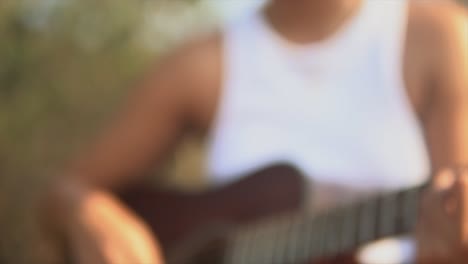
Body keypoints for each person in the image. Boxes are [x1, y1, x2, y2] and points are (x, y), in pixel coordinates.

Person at [42, 0, 468, 263]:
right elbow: (59, 191)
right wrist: (90, 213)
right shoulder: (200, 64)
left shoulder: (440, 36)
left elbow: (454, 222)